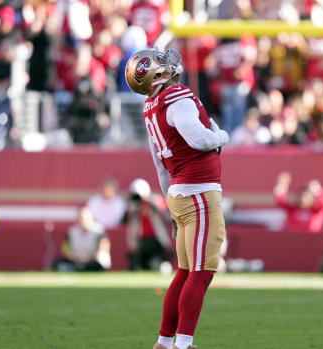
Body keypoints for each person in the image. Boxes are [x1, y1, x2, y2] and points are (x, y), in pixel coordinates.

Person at [125, 47, 229, 349]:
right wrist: (221, 136)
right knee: (201, 272)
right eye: (160, 62)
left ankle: (165, 342)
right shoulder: (176, 97)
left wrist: (169, 202)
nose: (167, 63)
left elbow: (159, 164)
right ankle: (182, 345)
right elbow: (198, 138)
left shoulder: (151, 106)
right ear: (155, 73)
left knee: (185, 272)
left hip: (180, 192)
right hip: (197, 192)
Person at [124, 178, 172, 270]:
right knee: (136, 264)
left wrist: (149, 203)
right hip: (139, 239)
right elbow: (124, 220)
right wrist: (134, 207)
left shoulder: (155, 200)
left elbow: (166, 216)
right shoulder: (133, 205)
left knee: (158, 261)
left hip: (156, 239)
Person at [52, 207, 111, 271]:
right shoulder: (72, 231)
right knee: (57, 263)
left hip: (92, 260)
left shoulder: (98, 230)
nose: (81, 220)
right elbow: (66, 249)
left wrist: (88, 258)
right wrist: (76, 257)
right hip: (76, 259)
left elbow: (103, 248)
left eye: (83, 218)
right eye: (79, 218)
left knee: (98, 262)